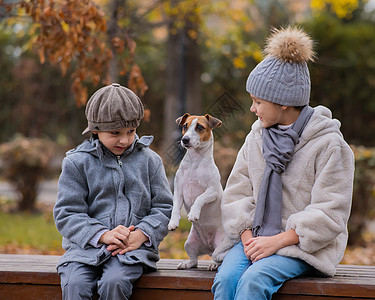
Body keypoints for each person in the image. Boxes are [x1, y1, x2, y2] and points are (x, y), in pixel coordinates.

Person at [211, 26, 355, 299]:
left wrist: (277, 241)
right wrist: (249, 240)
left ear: (284, 103)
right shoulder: (256, 137)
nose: (252, 109)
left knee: (254, 280)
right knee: (227, 278)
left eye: (258, 101)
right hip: (254, 238)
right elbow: (237, 194)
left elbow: (331, 213)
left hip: (302, 245)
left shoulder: (329, 145)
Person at [53, 83, 173, 300]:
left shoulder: (150, 161)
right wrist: (101, 235)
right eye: (115, 133)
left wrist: (142, 234)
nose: (125, 140)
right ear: (95, 130)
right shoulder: (76, 162)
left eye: (131, 131)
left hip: (131, 252)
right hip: (84, 250)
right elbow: (67, 213)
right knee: (75, 284)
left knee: (114, 282)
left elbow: (164, 208)